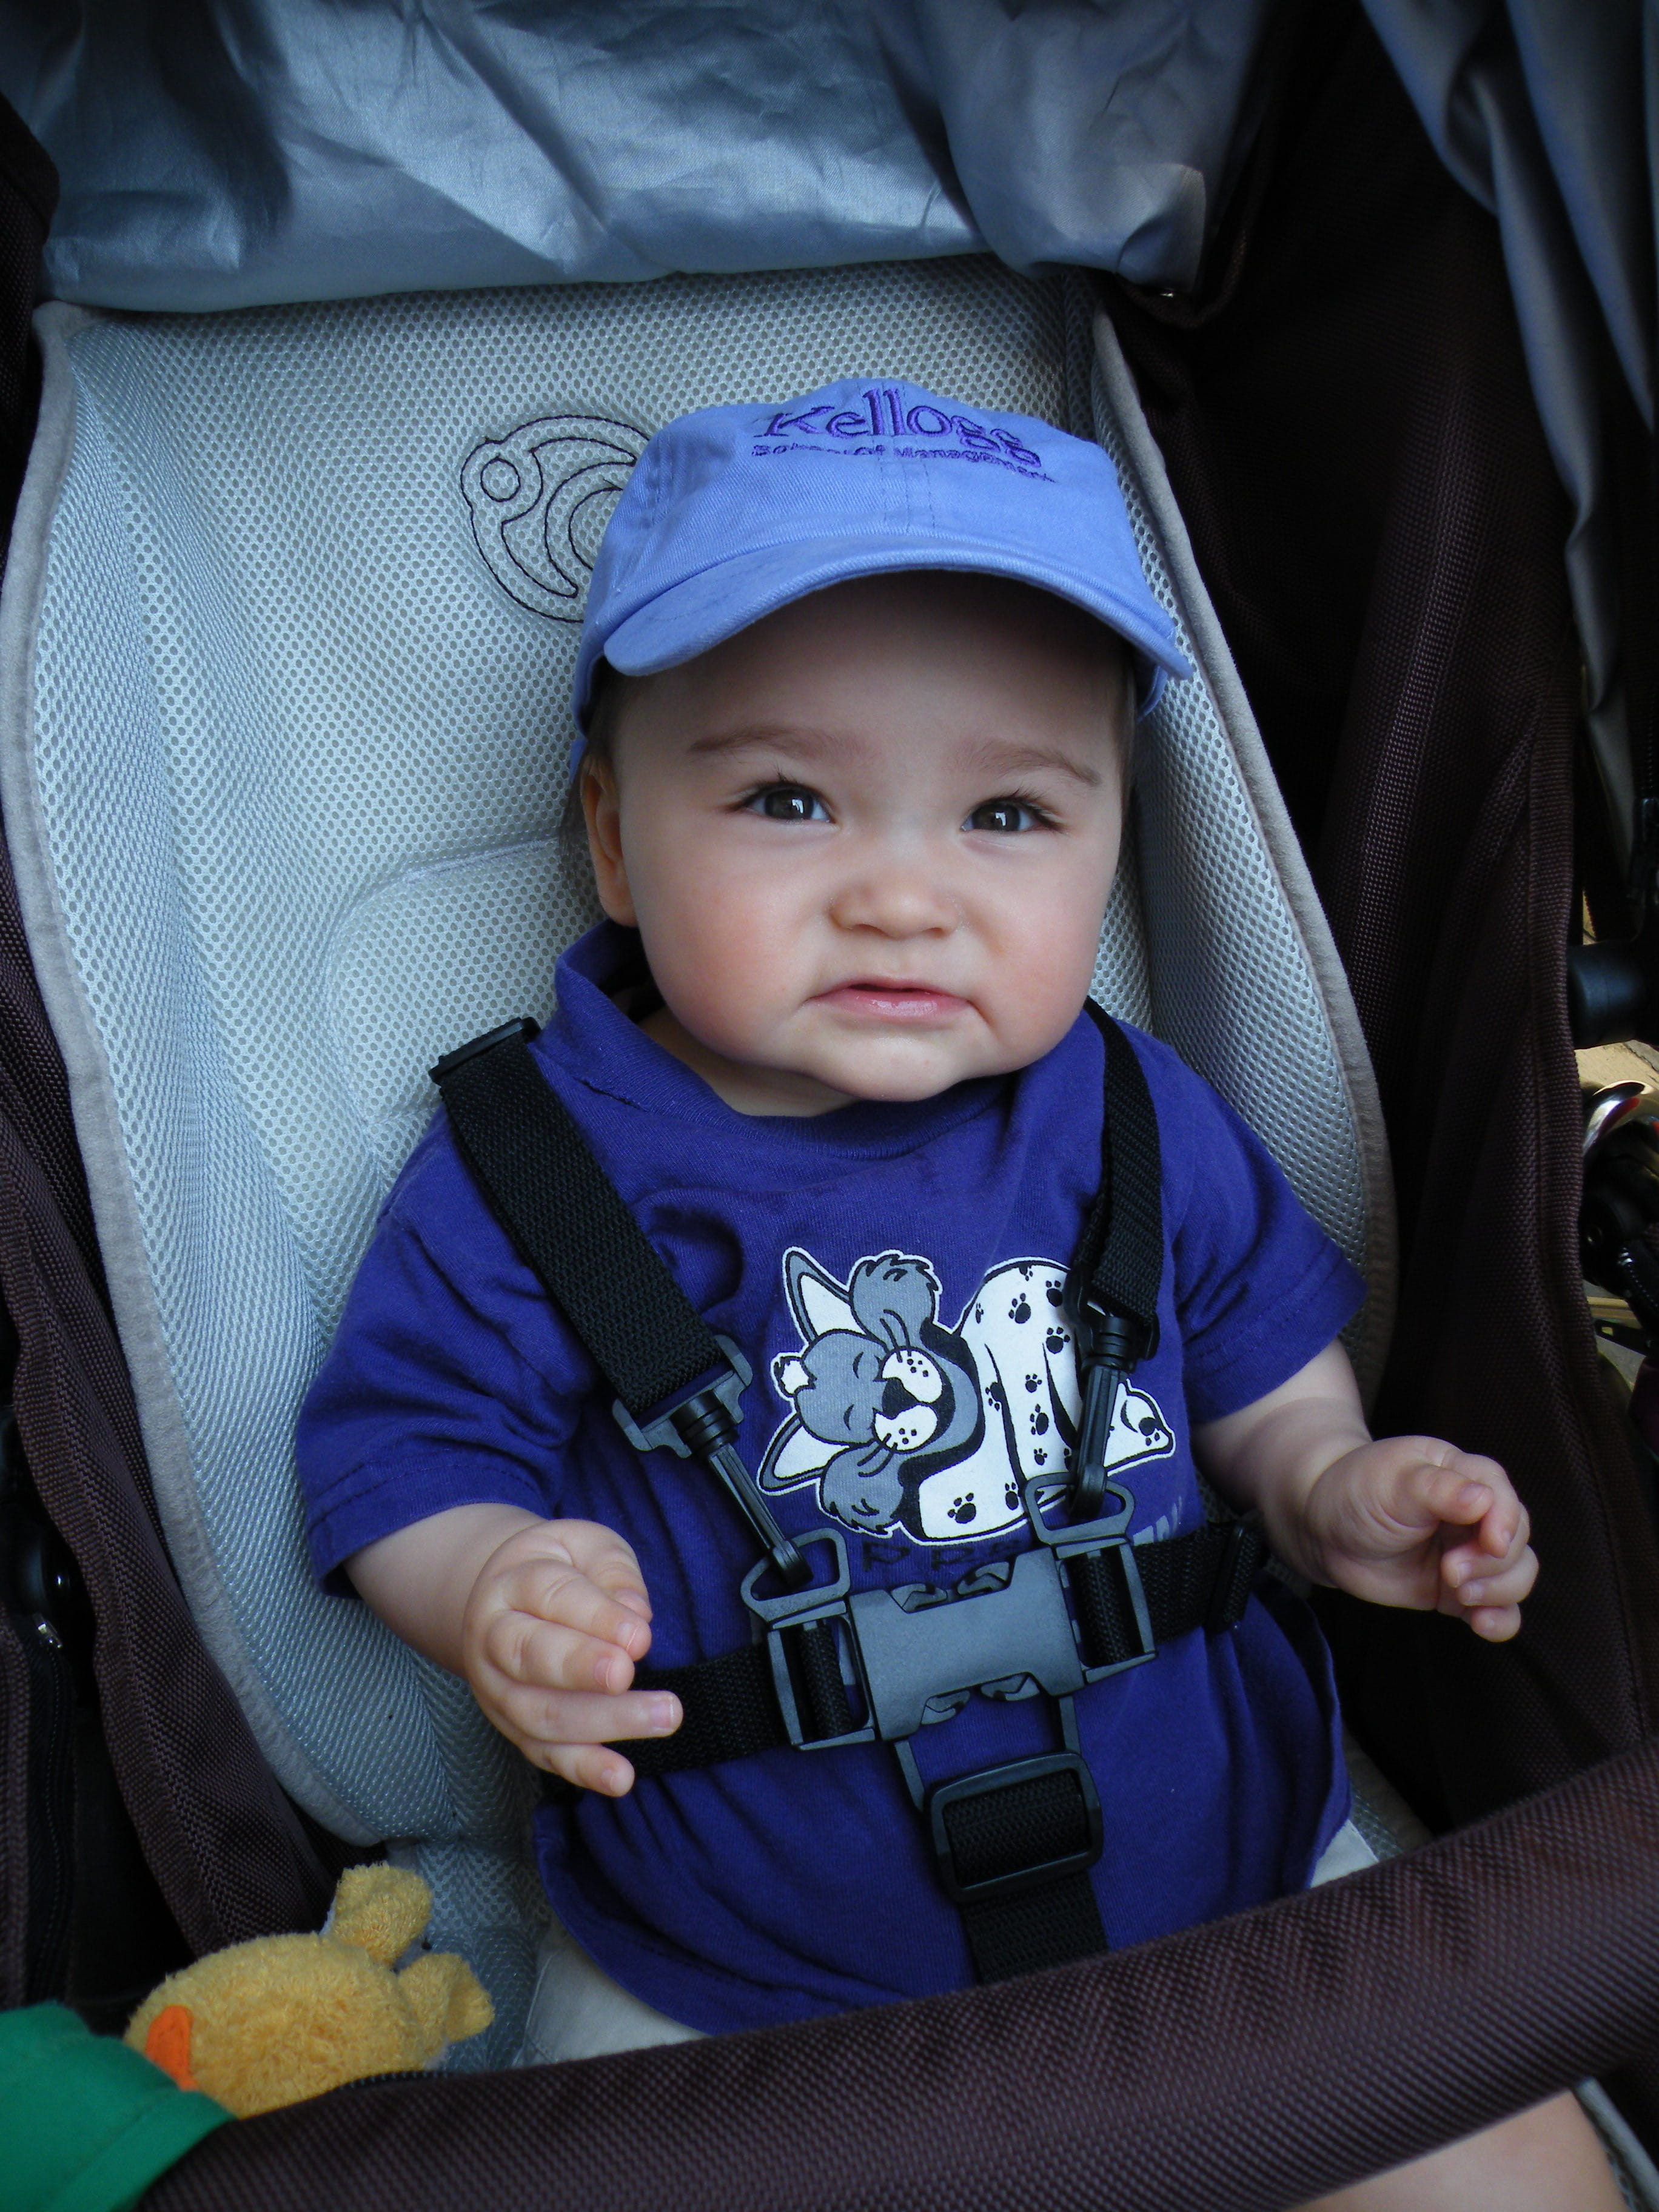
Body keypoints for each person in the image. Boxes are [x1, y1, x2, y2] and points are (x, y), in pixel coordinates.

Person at [296, 381, 1618, 2207]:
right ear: (611, 838)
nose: (904, 898)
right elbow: (402, 1456)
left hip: (1233, 1888)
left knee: (1524, 2168)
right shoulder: (543, 1164)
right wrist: (488, 1588)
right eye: (787, 800)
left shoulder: (1132, 1108)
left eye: (1006, 813)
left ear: (1113, 842)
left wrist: (1329, 1482)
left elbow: (1255, 1362)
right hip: (748, 1967)